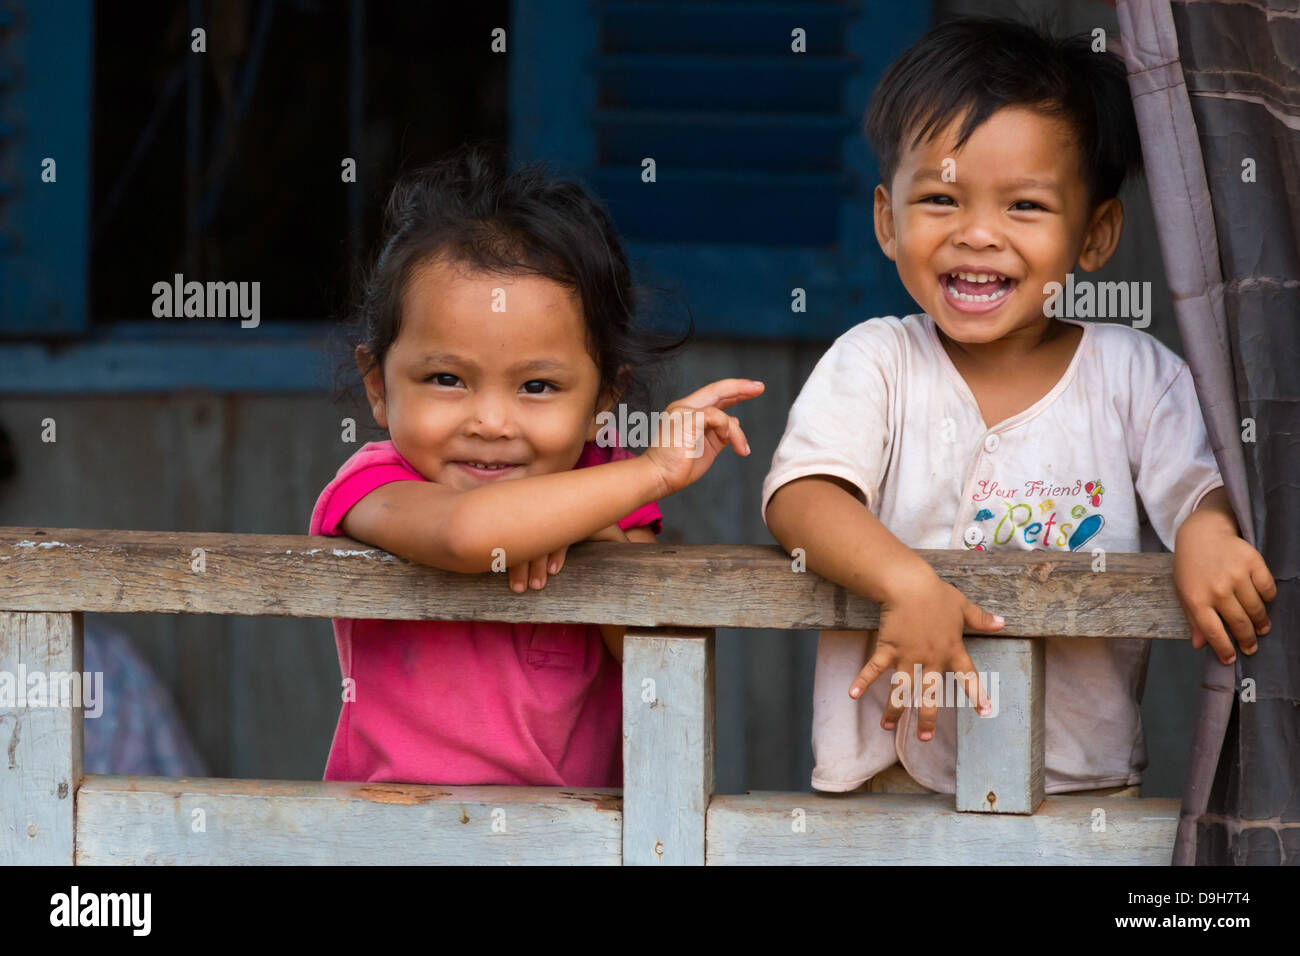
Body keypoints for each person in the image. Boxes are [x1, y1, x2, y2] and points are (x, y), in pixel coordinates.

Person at [761, 17, 1276, 796]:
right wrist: (906, 583)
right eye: (939, 198)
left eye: (1025, 207)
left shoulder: (1137, 374)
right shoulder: (877, 361)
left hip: (1072, 786)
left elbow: (1200, 488)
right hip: (891, 781)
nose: (977, 234)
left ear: (1096, 234)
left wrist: (1205, 535)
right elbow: (802, 499)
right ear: (885, 221)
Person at [311, 146, 764, 787]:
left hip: (580, 845)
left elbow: (659, 661)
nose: (492, 422)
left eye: (537, 387)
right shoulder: (373, 486)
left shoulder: (606, 490)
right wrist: (654, 471)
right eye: (446, 378)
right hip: (395, 840)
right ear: (378, 387)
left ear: (603, 398)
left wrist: (588, 528)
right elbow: (468, 533)